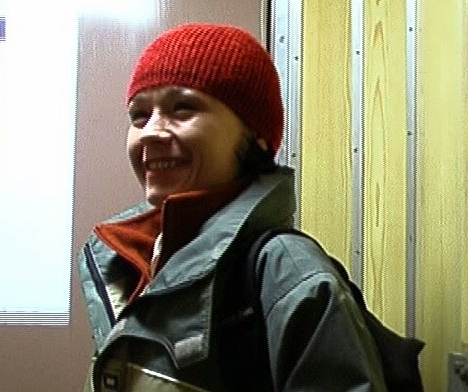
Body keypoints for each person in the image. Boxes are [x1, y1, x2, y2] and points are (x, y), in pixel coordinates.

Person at [76, 23, 386, 391]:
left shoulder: (289, 274)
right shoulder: (130, 260)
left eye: (183, 108)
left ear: (254, 134)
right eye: (139, 116)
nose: (151, 132)